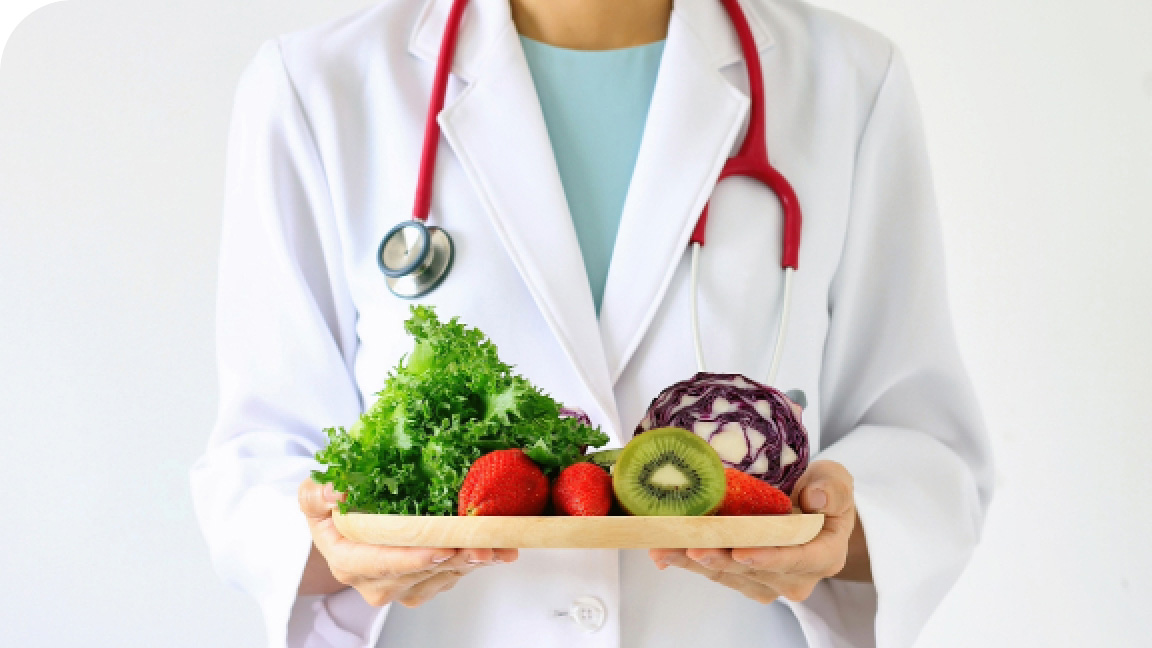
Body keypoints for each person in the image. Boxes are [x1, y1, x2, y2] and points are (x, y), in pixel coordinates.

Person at [190, 0, 994, 645]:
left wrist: (839, 528)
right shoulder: (315, 86)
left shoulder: (849, 81)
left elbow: (922, 445)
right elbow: (260, 460)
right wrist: (334, 538)